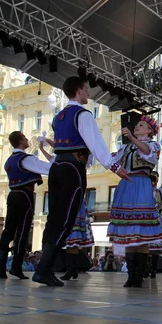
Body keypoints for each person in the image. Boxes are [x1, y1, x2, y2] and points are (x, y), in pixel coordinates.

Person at [32, 77, 129, 287]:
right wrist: (114, 166)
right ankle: (43, 269)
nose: (88, 93)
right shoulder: (82, 115)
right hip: (73, 169)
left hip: (58, 167)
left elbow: (65, 144)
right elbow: (95, 144)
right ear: (78, 90)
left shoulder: (58, 117)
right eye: (86, 89)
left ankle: (44, 268)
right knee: (67, 221)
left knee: (55, 219)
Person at [107, 116, 162, 288]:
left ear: (150, 131)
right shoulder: (125, 147)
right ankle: (131, 275)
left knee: (141, 231)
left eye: (141, 125)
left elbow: (147, 153)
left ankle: (139, 275)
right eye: (137, 125)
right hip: (126, 185)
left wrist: (131, 137)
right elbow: (111, 160)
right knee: (129, 234)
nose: (137, 127)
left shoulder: (154, 146)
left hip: (141, 185)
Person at [39, 138, 95, 281]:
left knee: (72, 234)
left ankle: (71, 268)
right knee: (69, 235)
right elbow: (54, 156)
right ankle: (70, 268)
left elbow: (62, 148)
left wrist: (48, 143)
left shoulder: (81, 155)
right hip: (65, 197)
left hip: (74, 199)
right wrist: (43, 149)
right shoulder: (63, 160)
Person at [0, 131, 52, 280]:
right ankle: (16, 267)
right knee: (23, 230)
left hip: (13, 193)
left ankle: (1, 266)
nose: (28, 139)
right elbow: (47, 168)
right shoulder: (26, 159)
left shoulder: (9, 160)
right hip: (25, 194)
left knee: (9, 229)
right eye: (25, 138)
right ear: (21, 141)